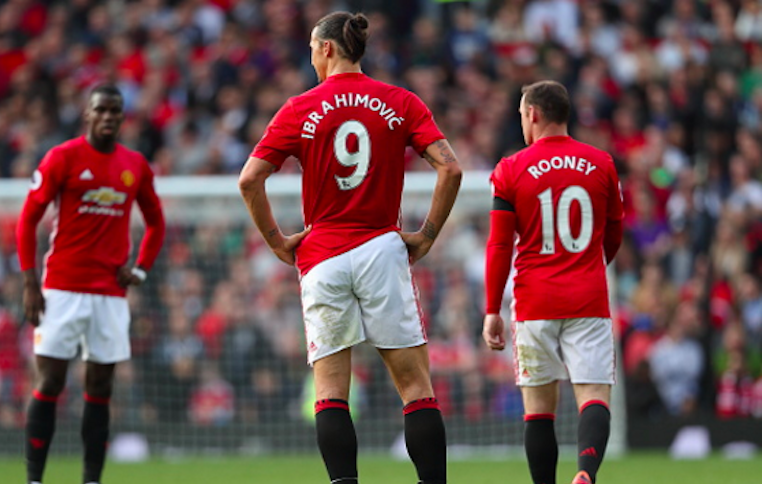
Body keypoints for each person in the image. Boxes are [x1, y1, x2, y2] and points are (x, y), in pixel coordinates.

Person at [239, 11, 461, 484]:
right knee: (415, 386)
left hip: (321, 256)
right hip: (381, 247)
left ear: (326, 49)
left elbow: (249, 179)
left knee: (331, 391)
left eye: (312, 52)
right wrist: (427, 234)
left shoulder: (300, 107)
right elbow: (452, 168)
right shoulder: (400, 101)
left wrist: (278, 243)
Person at [16, 84, 166, 484]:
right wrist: (30, 283)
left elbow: (156, 222)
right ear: (87, 114)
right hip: (61, 289)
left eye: (116, 111)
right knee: (50, 380)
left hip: (110, 294)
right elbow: (27, 219)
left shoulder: (135, 164)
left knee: (100, 386)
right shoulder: (62, 158)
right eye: (101, 110)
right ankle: (34, 478)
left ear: (122, 117)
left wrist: (141, 269)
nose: (109, 117)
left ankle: (91, 479)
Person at [482, 80, 623, 484]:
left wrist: (492, 309)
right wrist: (590, 267)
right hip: (587, 298)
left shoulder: (510, 168)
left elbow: (498, 245)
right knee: (594, 395)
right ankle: (585, 473)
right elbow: (614, 232)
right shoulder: (601, 163)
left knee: (539, 409)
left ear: (533, 114)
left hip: (534, 301)